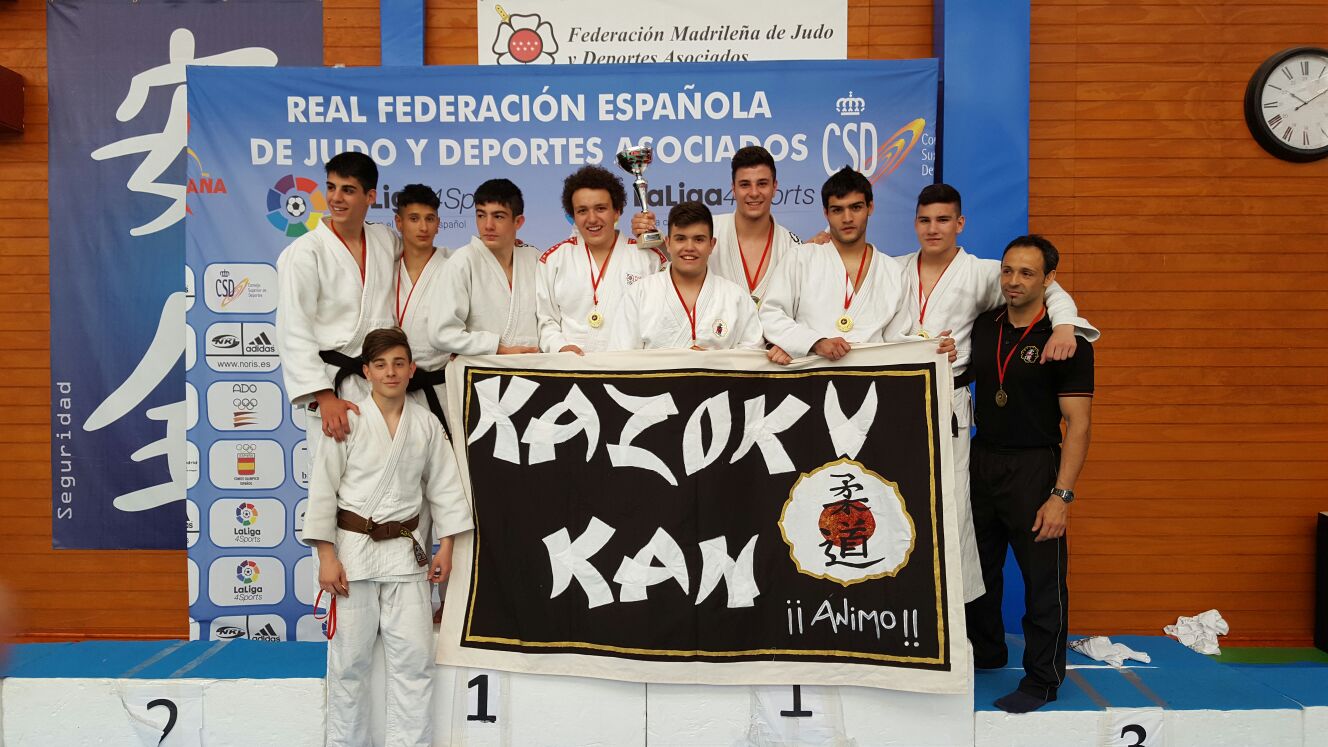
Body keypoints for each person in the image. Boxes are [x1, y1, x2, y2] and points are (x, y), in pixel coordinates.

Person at [892, 183, 1099, 605]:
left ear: (960, 223)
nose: (934, 229)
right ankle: (917, 615)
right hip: (896, 403)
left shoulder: (987, 272)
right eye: (925, 220)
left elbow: (1048, 286)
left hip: (950, 404)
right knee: (898, 510)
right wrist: (818, 250)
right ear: (914, 223)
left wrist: (1063, 324)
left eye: (944, 220)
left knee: (952, 519)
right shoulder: (890, 268)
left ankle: (957, 627)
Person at [304, 327, 472, 746]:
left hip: (405, 557)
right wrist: (326, 556)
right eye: (380, 365)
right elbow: (323, 490)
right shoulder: (348, 419)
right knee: (349, 666)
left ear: (412, 369)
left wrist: (446, 547)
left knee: (414, 666)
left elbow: (445, 487)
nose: (390, 372)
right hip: (352, 556)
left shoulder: (427, 423)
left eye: (399, 363)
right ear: (366, 372)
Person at [965, 235, 1094, 714]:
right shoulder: (984, 324)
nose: (1014, 281)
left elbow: (1078, 425)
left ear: (1049, 280)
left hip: (1036, 465)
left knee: (1043, 579)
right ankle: (987, 652)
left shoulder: (1068, 341)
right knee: (976, 568)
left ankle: (1043, 680)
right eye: (1008, 271)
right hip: (982, 460)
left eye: (1026, 273)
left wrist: (1062, 495)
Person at [759, 167, 954, 364]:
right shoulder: (800, 259)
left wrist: (934, 348)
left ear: (870, 207)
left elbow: (896, 339)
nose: (847, 218)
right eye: (837, 210)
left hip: (870, 385)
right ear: (826, 213)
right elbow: (770, 314)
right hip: (810, 382)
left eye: (856, 207)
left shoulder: (894, 272)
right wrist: (815, 342)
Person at [276, 152, 398, 457]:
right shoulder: (305, 252)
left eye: (348, 189)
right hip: (334, 385)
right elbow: (294, 329)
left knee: (386, 481)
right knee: (332, 484)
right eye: (330, 187)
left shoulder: (385, 240)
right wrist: (323, 396)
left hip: (383, 383)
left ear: (371, 196)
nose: (336, 198)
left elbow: (424, 268)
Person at [630, 145, 811, 305]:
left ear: (775, 187)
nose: (754, 193)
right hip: (717, 341)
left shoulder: (792, 246)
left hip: (776, 343)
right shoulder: (707, 231)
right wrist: (651, 233)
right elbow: (678, 255)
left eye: (762, 184)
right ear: (733, 189)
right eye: (745, 184)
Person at [538, 165, 668, 354]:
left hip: (629, 367)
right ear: (572, 215)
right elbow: (546, 320)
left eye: (600, 208)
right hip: (572, 369)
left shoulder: (649, 259)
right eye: (582, 211)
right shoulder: (554, 260)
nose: (592, 219)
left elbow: (661, 319)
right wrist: (560, 347)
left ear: (617, 211)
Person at [611, 201, 763, 351]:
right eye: (681, 239)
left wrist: (710, 362)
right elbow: (622, 356)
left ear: (712, 244)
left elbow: (753, 353)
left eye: (699, 239)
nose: (689, 248)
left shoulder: (736, 297)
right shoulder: (640, 293)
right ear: (668, 243)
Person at [432, 178, 540, 356]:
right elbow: (441, 333)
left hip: (534, 370)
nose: (488, 225)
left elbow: (549, 321)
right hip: (480, 374)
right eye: (481, 215)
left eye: (498, 216)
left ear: (518, 221)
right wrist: (496, 348)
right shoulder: (462, 262)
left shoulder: (535, 259)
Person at [389, 184, 455, 425]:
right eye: (414, 219)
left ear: (438, 223)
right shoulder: (384, 267)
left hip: (440, 387)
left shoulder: (456, 265)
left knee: (446, 459)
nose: (423, 227)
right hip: (392, 388)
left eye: (430, 219)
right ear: (399, 222)